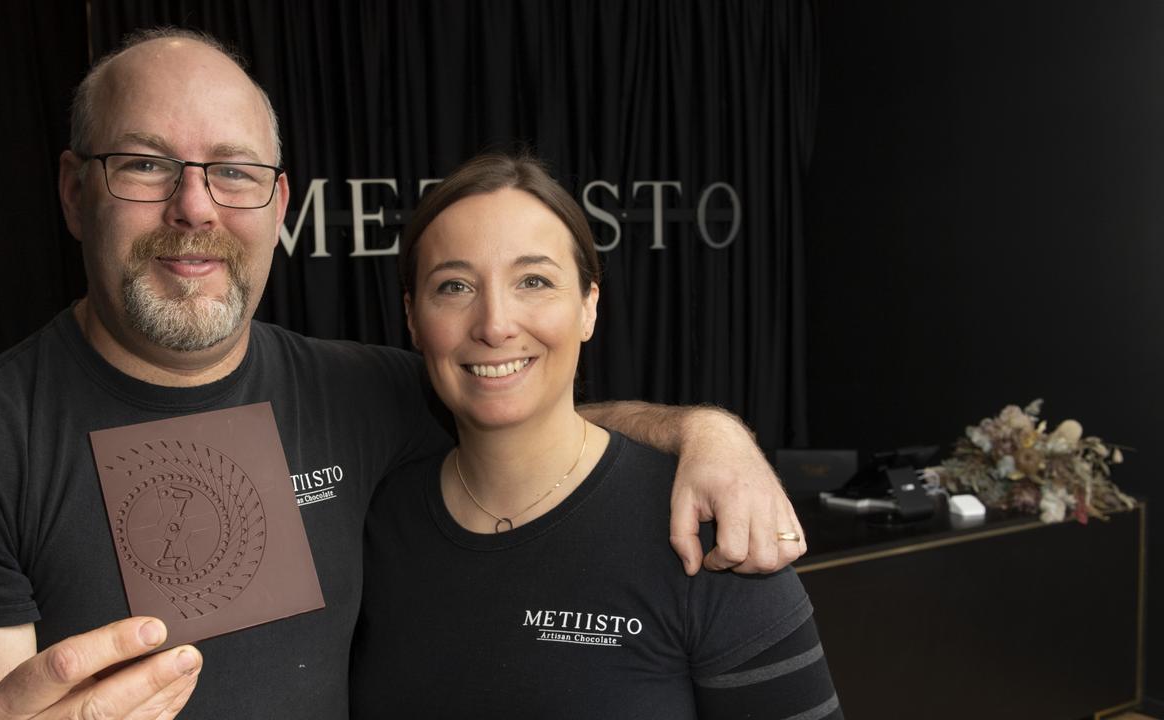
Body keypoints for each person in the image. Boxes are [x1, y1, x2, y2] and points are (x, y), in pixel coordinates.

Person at [0, 28, 804, 720]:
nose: (194, 205)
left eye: (234, 172)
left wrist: (704, 433)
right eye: (145, 165)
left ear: (278, 204)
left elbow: (518, 410)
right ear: (73, 191)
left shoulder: (362, 394)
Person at [350, 153, 839, 718]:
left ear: (589, 306)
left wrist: (712, 429)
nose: (495, 324)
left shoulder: (708, 536)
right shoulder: (376, 526)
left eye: (534, 280)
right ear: (413, 317)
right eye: (455, 286)